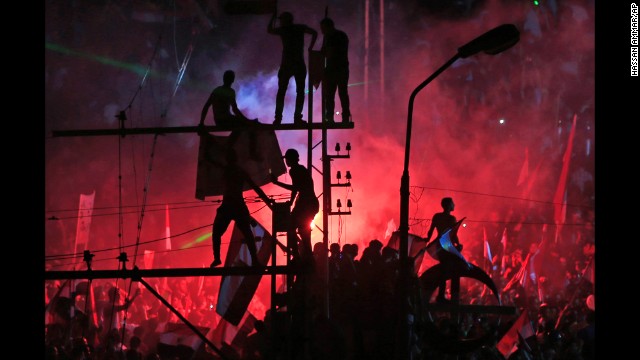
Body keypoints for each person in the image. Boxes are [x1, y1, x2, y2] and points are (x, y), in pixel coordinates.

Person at [209, 149, 271, 267]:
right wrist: (267, 200)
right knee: (247, 234)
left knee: (218, 233)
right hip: (236, 205)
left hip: (229, 205)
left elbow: (214, 162)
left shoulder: (228, 170)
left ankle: (218, 258)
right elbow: (255, 187)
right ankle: (254, 260)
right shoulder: (239, 171)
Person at [199, 70, 261, 161]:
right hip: (225, 120)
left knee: (240, 127)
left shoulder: (217, 90)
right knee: (245, 127)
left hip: (219, 120)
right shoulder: (229, 91)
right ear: (232, 80)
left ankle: (229, 146)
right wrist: (248, 121)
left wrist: (201, 122)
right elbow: (235, 110)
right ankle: (251, 152)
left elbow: (206, 106)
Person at [270, 148, 319, 264]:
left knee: (291, 226)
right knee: (304, 231)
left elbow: (295, 188)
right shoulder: (302, 169)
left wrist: (277, 183)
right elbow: (297, 188)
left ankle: (297, 256)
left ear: (290, 159)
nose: (286, 162)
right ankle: (308, 256)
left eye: (287, 159)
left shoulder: (294, 170)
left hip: (305, 205)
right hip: (311, 204)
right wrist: (292, 202)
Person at [268, 11, 317, 124]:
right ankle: (297, 118)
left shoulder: (283, 30)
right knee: (299, 92)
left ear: (285, 20)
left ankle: (278, 118)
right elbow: (314, 33)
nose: (280, 22)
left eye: (281, 20)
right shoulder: (299, 28)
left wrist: (272, 18)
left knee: (282, 91)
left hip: (287, 64)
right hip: (299, 63)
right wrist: (310, 47)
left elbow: (269, 30)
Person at [424, 197, 463, 303]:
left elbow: (430, 231)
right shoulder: (451, 219)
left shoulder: (437, 216)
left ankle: (441, 295)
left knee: (444, 269)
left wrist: (427, 240)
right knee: (447, 269)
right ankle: (442, 296)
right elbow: (453, 234)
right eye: (453, 203)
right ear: (449, 205)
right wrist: (458, 245)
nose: (454, 205)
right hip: (447, 246)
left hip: (439, 245)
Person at [319, 17, 351, 124]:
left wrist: (324, 51)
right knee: (342, 93)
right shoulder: (341, 35)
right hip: (342, 68)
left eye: (323, 28)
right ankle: (344, 117)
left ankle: (330, 118)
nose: (322, 31)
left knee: (331, 95)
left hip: (335, 69)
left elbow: (329, 53)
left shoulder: (332, 37)